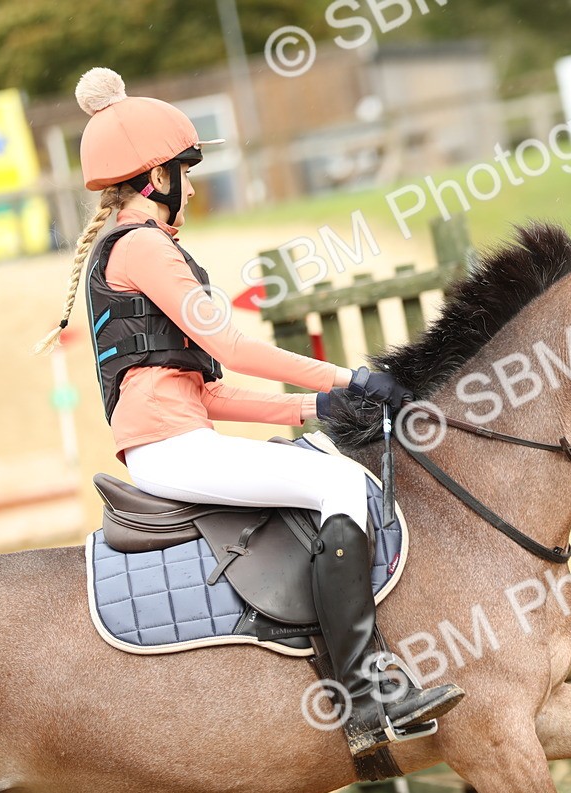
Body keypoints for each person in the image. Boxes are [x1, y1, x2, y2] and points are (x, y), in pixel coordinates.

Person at [32, 67, 463, 757]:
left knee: (325, 463)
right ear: (155, 177)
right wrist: (349, 373)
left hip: (176, 439)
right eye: (184, 170)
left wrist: (316, 404)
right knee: (342, 485)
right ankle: (364, 689)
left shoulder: (140, 248)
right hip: (171, 453)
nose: (193, 185)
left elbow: (208, 392)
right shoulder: (144, 246)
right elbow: (231, 343)